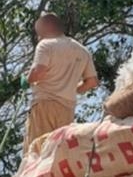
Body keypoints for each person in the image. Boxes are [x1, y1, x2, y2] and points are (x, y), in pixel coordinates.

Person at [24, 12, 98, 150]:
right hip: (67, 109)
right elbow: (92, 82)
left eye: (39, 32)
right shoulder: (82, 51)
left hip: (44, 104)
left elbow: (38, 73)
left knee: (36, 150)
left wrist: (27, 78)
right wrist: (70, 88)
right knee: (57, 150)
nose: (38, 37)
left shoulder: (45, 45)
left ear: (47, 28)